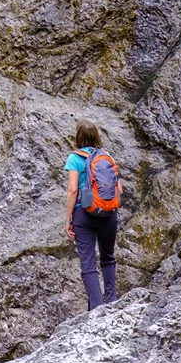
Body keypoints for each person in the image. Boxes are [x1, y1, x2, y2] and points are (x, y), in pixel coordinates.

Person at [64, 120, 117, 310]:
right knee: (108, 257)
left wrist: (68, 220)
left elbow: (72, 190)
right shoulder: (107, 156)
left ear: (78, 137)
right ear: (96, 135)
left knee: (88, 265)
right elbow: (118, 188)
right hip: (108, 214)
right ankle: (112, 302)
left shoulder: (74, 158)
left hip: (83, 214)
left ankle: (96, 309)